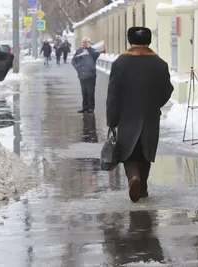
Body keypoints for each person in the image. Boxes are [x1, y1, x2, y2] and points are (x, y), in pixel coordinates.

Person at [106, 27, 174, 202]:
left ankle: (133, 178)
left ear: (129, 42)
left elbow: (113, 94)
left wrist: (112, 119)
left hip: (126, 116)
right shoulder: (160, 63)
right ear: (149, 42)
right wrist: (153, 105)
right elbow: (167, 90)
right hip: (150, 117)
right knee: (146, 152)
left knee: (128, 153)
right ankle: (142, 187)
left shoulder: (120, 63)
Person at [72, 37, 100, 114]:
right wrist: (77, 68)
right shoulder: (79, 51)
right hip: (82, 75)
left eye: (86, 42)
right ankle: (85, 107)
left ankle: (91, 107)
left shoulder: (93, 50)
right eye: (83, 42)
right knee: (84, 92)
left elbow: (95, 56)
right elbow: (73, 60)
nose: (85, 44)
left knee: (90, 91)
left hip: (90, 75)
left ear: (89, 43)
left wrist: (89, 48)